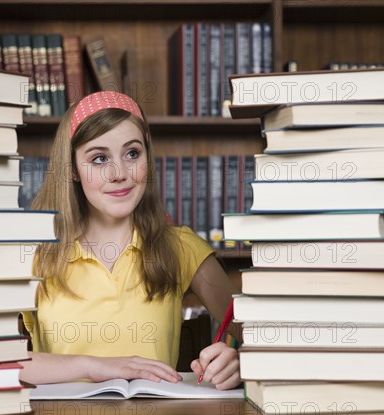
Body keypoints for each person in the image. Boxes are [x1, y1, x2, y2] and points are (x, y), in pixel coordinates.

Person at [20, 91, 240, 390]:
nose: (119, 173)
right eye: (99, 159)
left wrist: (238, 361)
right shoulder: (35, 254)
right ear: (72, 169)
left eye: (132, 153)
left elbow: (265, 341)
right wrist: (92, 366)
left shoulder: (182, 248)